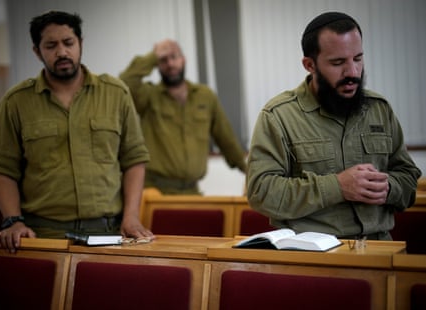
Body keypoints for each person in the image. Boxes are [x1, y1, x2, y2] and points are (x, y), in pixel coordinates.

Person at [0, 11, 154, 252]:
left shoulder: (116, 93)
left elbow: (135, 159)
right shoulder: (16, 102)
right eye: (51, 45)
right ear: (37, 51)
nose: (62, 52)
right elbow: (3, 168)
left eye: (68, 43)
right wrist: (13, 221)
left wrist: (131, 216)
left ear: (80, 43)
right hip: (42, 235)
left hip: (108, 232)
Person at [247, 12, 422, 240]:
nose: (352, 72)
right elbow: (262, 192)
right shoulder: (278, 116)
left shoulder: (380, 109)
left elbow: (408, 178)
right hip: (312, 254)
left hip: (381, 249)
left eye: (358, 59)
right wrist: (337, 187)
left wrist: (388, 188)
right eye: (337, 63)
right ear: (310, 65)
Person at [119, 39, 247, 194]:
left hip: (192, 192)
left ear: (183, 59)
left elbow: (225, 137)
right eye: (163, 60)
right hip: (156, 191)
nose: (170, 64)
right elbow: (125, 83)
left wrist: (247, 168)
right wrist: (152, 57)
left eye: (174, 57)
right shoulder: (148, 96)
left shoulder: (205, 96)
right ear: (157, 65)